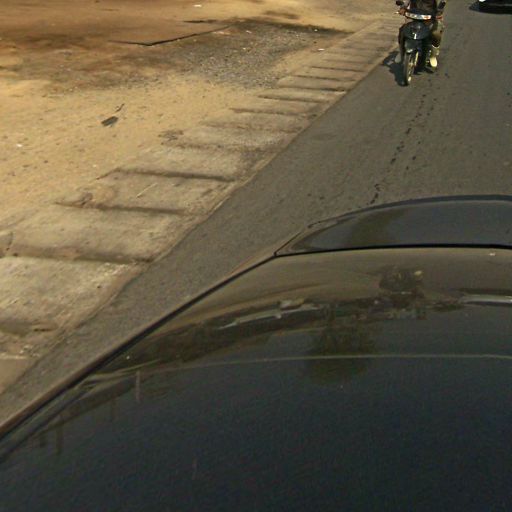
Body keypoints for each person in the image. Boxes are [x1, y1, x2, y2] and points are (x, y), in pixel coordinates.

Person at [397, 0, 446, 68]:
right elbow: (406, 2)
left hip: (430, 18)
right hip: (414, 16)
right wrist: (403, 7)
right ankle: (401, 52)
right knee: (402, 30)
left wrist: (439, 12)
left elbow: (441, 3)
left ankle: (433, 56)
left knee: (436, 33)